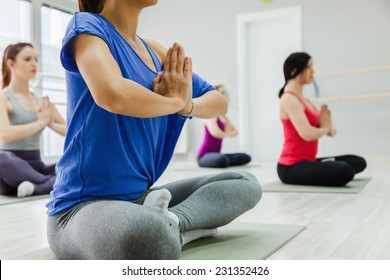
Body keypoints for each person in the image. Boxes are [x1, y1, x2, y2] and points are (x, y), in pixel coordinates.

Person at [46, 0, 262, 260]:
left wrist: (186, 105)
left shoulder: (156, 52)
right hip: (79, 209)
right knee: (150, 236)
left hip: (141, 198)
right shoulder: (87, 28)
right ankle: (170, 228)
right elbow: (112, 94)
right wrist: (173, 102)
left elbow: (218, 102)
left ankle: (173, 221)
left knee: (245, 183)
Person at [277, 52, 366, 186]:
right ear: (295, 71)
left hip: (309, 161)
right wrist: (325, 128)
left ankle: (322, 169)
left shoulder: (307, 101)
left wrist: (327, 123)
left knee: (358, 161)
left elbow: (332, 132)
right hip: (290, 167)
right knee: (345, 170)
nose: (313, 71)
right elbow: (307, 134)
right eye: (309, 67)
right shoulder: (289, 99)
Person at [0, 43, 66, 198]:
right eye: (27, 59)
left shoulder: (41, 100)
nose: (34, 64)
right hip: (8, 171)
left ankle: (36, 188)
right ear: (11, 64)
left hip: (36, 166)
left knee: (75, 163)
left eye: (36, 59)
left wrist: (51, 124)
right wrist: (40, 123)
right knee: (1, 157)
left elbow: (69, 131)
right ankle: (51, 184)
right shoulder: (3, 97)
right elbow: (5, 134)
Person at [197, 84, 251, 168]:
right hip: (204, 156)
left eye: (224, 93)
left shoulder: (222, 115)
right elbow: (216, 133)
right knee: (222, 160)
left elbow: (235, 132)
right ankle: (223, 160)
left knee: (245, 157)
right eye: (221, 93)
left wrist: (226, 133)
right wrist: (228, 134)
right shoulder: (210, 113)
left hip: (217, 154)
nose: (224, 95)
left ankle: (224, 160)